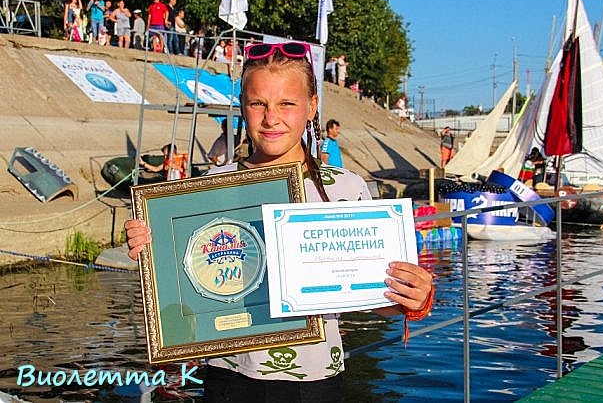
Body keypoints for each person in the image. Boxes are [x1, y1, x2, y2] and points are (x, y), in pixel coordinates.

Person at [124, 41, 433, 403]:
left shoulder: (345, 189)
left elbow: (370, 293)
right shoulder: (208, 188)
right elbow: (186, 287)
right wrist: (153, 247)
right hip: (228, 376)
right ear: (243, 106)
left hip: (314, 382)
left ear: (312, 107)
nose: (271, 118)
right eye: (258, 104)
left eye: (287, 103)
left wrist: (414, 298)